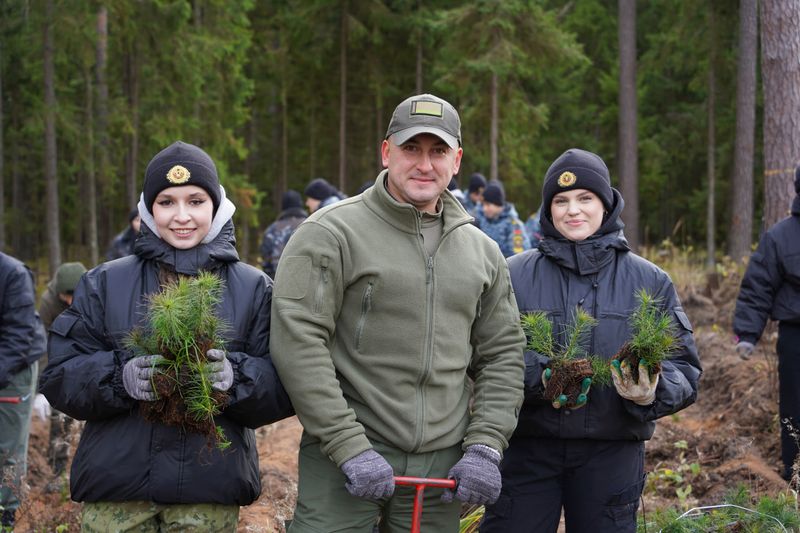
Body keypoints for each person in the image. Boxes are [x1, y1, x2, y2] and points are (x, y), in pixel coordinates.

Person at [271, 93, 525, 532]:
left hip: (439, 470)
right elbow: (299, 344)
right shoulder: (329, 234)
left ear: (457, 160)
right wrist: (348, 446)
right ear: (386, 151)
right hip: (344, 457)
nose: (424, 164)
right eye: (411, 148)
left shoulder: (483, 252)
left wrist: (485, 446)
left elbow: (502, 353)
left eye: (438, 151)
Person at [39, 141, 293, 532]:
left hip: (207, 496)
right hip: (118, 499)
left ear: (216, 205)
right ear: (147, 210)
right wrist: (117, 378)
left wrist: (236, 378)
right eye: (166, 202)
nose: (181, 217)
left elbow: (286, 385)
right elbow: (59, 376)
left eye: (195, 201)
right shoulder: (105, 282)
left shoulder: (254, 289)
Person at [481, 148, 701, 533]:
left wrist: (649, 391)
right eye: (561, 201)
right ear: (548, 210)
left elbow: (685, 368)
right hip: (528, 449)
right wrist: (541, 377)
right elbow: (485, 355)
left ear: (607, 204)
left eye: (585, 198)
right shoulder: (513, 275)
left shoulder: (649, 282)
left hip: (611, 454)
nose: (573, 210)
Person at [733, 165, 800, 483]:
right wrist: (747, 334)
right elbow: (757, 287)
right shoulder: (780, 236)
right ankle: (795, 472)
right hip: (795, 337)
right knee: (795, 407)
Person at [0, 252, 47, 530]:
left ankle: (6, 512)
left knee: (7, 447)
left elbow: (19, 335)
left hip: (14, 365)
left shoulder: (13, 274)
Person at [33, 261, 87, 492]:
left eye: (73, 296)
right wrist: (43, 388)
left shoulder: (95, 292)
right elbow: (41, 344)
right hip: (59, 361)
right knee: (59, 416)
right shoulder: (47, 302)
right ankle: (57, 473)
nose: (69, 302)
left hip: (88, 358)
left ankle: (86, 470)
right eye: (65, 297)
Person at [259, 190, 308, 279]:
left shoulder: (272, 229)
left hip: (278, 283)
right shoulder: (310, 225)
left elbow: (266, 260)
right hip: (306, 283)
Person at [475, 180, 531, 257]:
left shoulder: (514, 225)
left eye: (488, 205)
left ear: (498, 204)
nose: (484, 209)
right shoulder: (481, 220)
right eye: (483, 205)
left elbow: (519, 257)